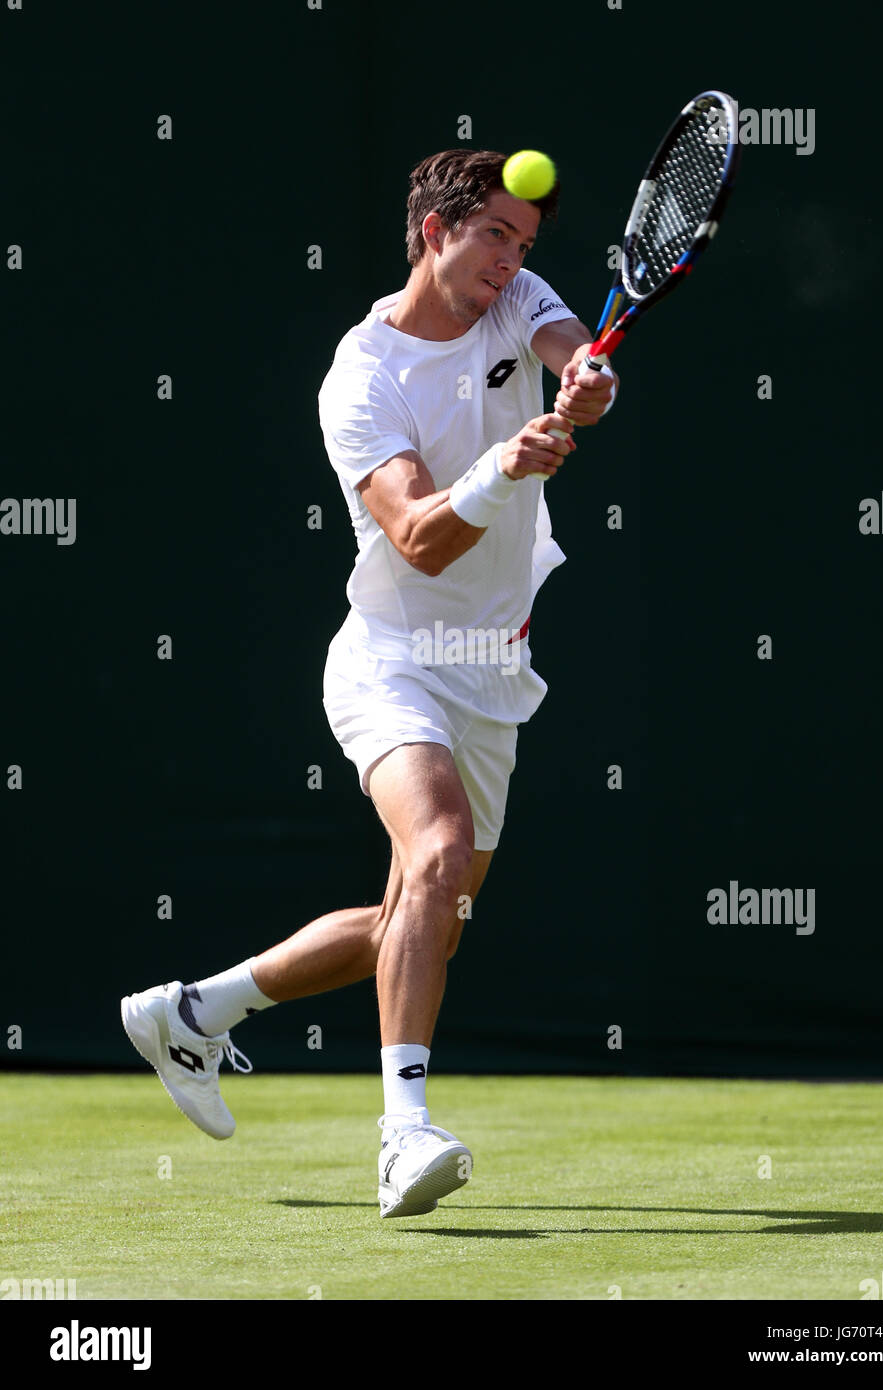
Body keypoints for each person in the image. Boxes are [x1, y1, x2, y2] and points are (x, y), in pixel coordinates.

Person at [121, 148, 617, 1218]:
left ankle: (193, 1011)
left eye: (524, 246)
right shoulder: (361, 376)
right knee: (436, 849)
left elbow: (569, 349)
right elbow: (418, 537)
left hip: (495, 669)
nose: (511, 262)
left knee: (426, 914)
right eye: (493, 235)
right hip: (392, 656)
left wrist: (586, 378)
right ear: (435, 231)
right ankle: (403, 1135)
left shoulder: (514, 294)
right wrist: (507, 466)